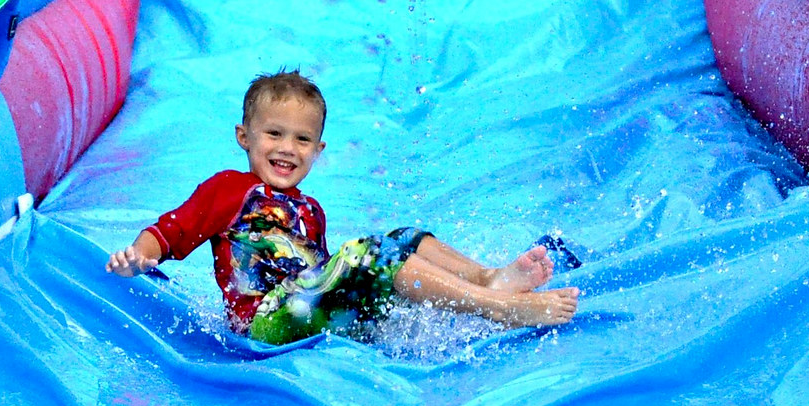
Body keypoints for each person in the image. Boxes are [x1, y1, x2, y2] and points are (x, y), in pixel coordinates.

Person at [105, 70, 580, 344]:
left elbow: (325, 276)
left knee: (403, 239)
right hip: (264, 322)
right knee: (363, 255)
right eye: (274, 134)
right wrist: (137, 255)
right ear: (243, 136)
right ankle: (500, 308)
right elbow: (170, 232)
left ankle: (486, 278)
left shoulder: (311, 209)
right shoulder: (227, 190)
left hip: (307, 309)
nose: (287, 148)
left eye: (302, 139)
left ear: (318, 149)